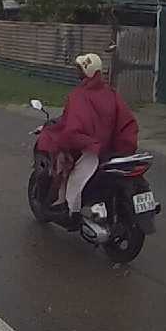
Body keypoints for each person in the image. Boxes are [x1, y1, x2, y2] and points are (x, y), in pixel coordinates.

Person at [36, 52, 139, 229]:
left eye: (80, 69)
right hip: (109, 149)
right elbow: (126, 122)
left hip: (89, 150)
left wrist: (72, 140)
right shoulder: (111, 93)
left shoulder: (79, 95)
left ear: (86, 71)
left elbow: (72, 128)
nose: (77, 72)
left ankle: (71, 210)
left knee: (70, 172)